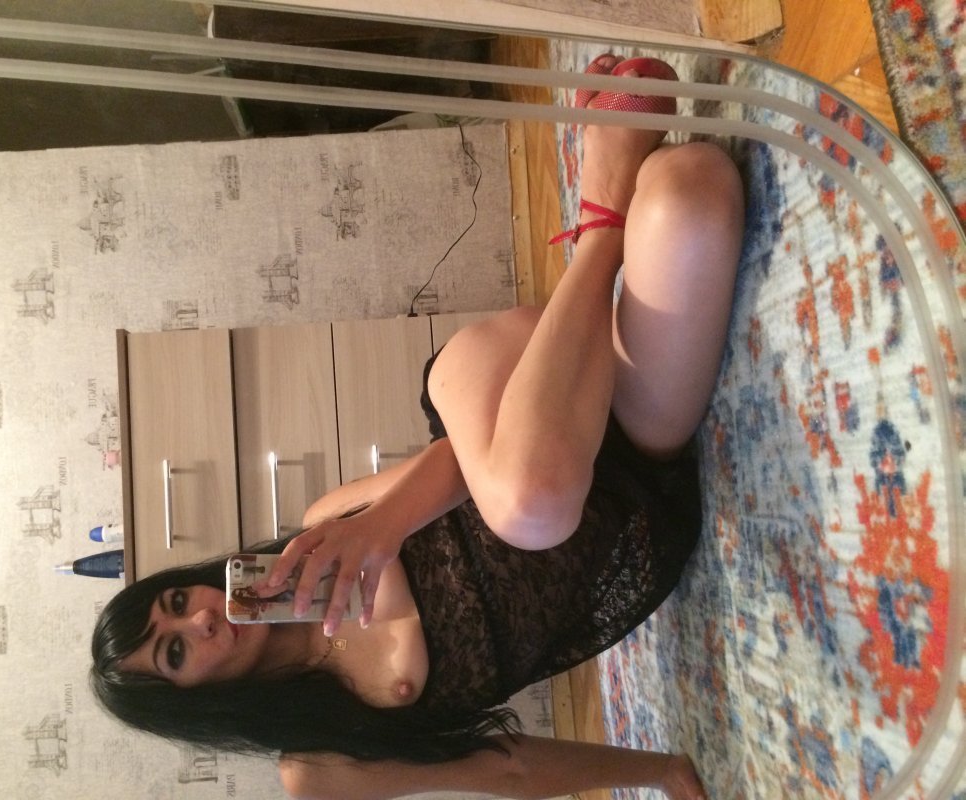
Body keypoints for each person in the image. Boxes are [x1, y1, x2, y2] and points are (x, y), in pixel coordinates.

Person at [90, 54, 745, 800]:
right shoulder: (319, 764)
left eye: (176, 604)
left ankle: (599, 225)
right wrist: (662, 771)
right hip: (625, 461)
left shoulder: (321, 531)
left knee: (525, 501)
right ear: (192, 706)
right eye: (174, 653)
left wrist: (381, 526)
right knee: (691, 189)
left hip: (514, 384)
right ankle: (612, 220)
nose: (201, 621)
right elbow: (506, 767)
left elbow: (459, 457)